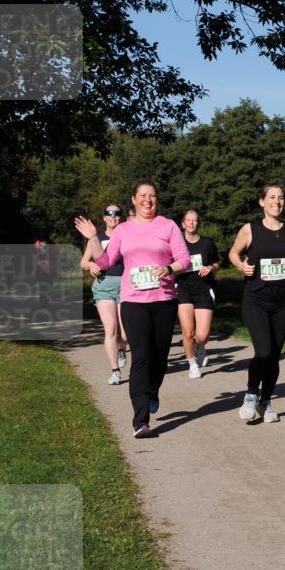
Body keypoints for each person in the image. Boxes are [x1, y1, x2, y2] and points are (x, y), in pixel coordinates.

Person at [75, 181, 190, 438]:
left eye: (152, 196)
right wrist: (94, 238)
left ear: (157, 201)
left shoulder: (168, 226)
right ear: (134, 200)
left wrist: (169, 269)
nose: (147, 200)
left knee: (159, 357)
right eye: (142, 196)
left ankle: (152, 391)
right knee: (140, 356)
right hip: (134, 301)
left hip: (164, 299)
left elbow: (184, 259)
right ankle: (141, 421)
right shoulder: (123, 230)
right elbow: (105, 261)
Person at [228, 184, 285, 424]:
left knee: (273, 356)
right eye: (272, 197)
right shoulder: (250, 229)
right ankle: (251, 393)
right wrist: (241, 265)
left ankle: (266, 401)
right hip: (256, 299)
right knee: (263, 352)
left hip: (283, 302)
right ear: (262, 202)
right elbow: (233, 253)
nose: (277, 201)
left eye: (281, 197)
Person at [80, 204, 128, 385]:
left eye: (117, 214)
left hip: (125, 287)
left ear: (120, 217)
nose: (113, 216)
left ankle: (122, 350)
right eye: (109, 214)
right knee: (110, 329)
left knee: (124, 335)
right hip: (104, 287)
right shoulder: (96, 238)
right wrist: (91, 265)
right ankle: (115, 371)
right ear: (104, 218)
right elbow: (83, 262)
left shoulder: (127, 236)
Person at [176, 210, 220, 378]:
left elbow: (216, 263)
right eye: (189, 220)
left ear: (198, 223)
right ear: (183, 223)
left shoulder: (207, 244)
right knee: (188, 332)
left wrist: (210, 267)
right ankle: (192, 364)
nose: (192, 223)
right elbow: (169, 264)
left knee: (202, 335)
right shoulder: (177, 244)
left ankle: (200, 347)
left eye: (195, 220)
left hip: (203, 290)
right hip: (183, 289)